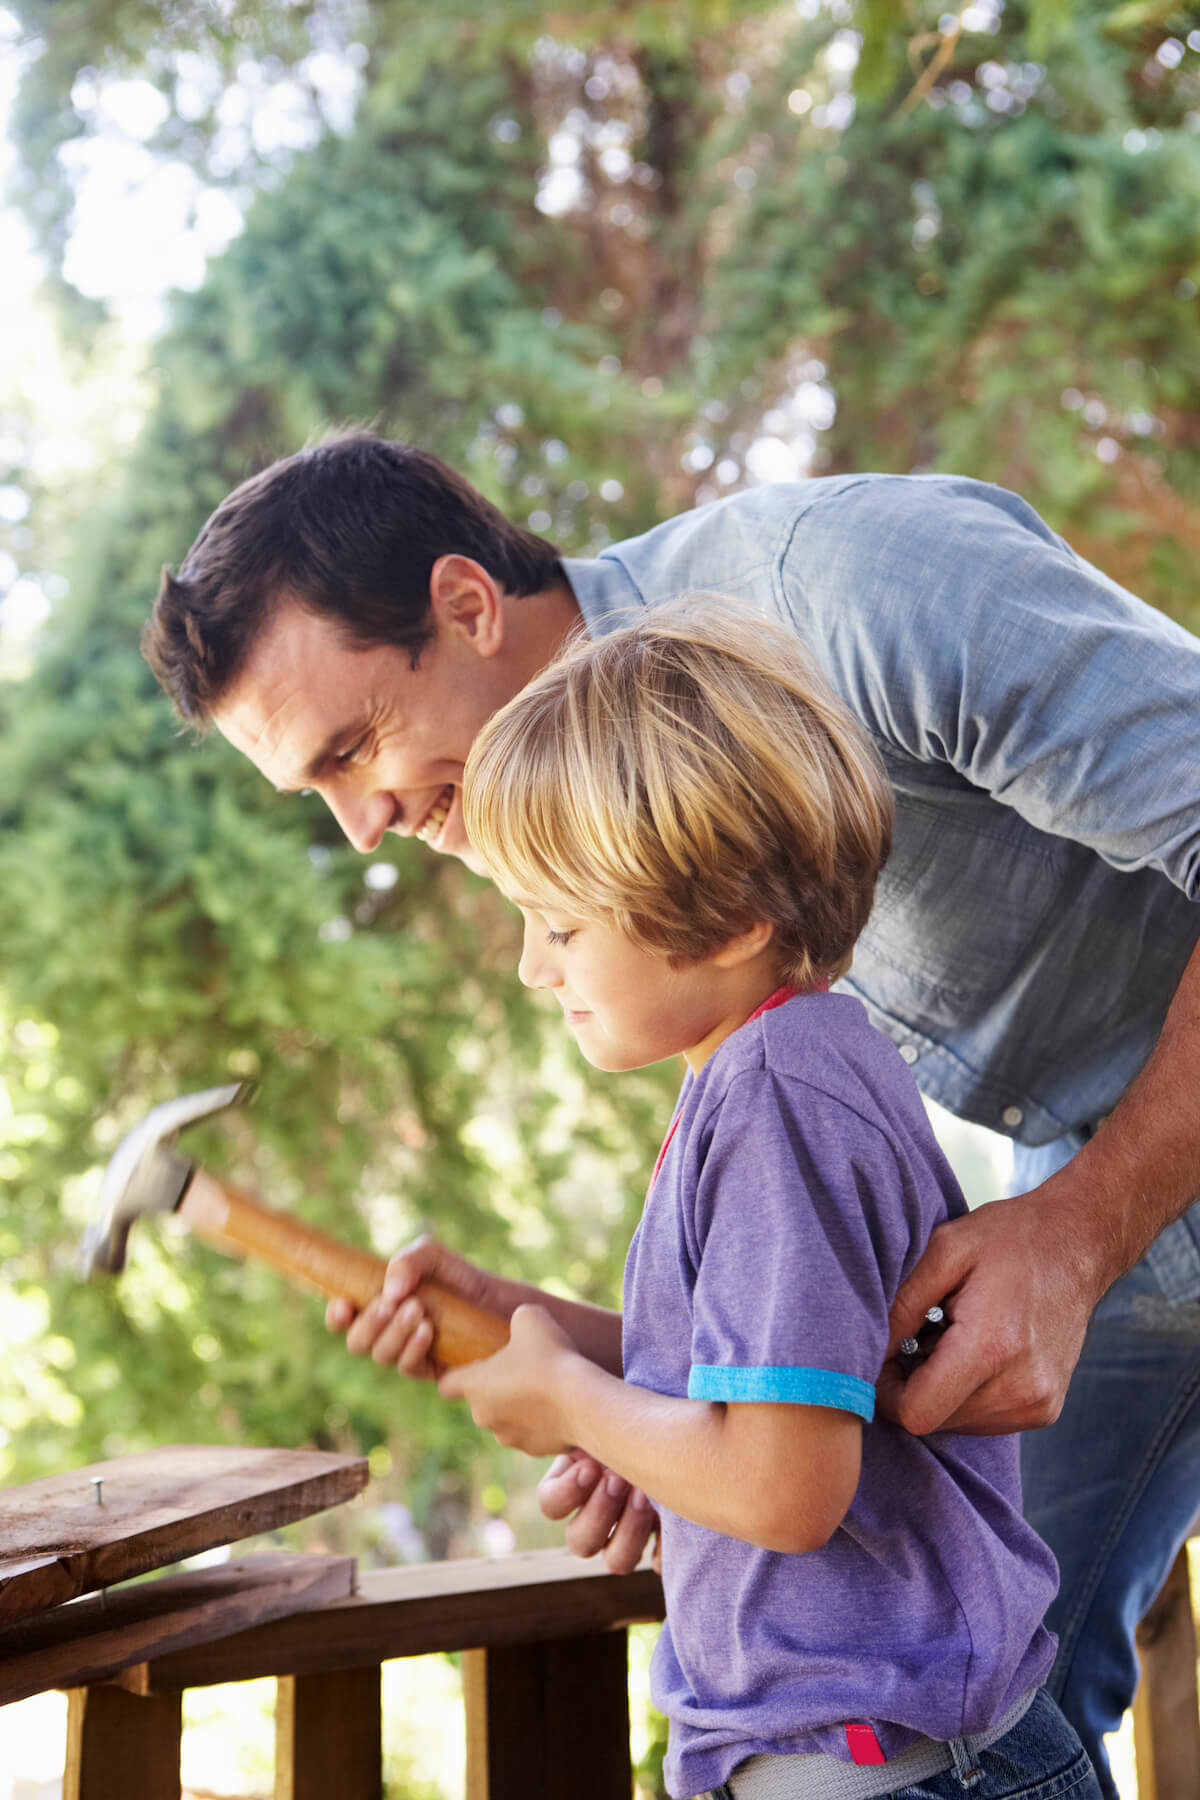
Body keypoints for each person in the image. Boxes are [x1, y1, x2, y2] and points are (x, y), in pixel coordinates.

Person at [142, 430, 1200, 1796]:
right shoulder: (631, 864)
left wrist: (1078, 1229)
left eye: (355, 749)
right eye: (317, 792)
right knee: (987, 1671)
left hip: (1121, 1177)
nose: (363, 825)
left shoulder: (851, 592)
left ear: (467, 605)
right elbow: (806, 1414)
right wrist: (660, 1390)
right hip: (1121, 1176)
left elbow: (789, 1475)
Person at [335, 603, 1099, 1800]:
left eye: (561, 926)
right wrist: (532, 1324)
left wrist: (577, 1404)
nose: (536, 969)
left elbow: (782, 1485)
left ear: (734, 918)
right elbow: (779, 1373)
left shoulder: (775, 1098)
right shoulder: (779, 1069)